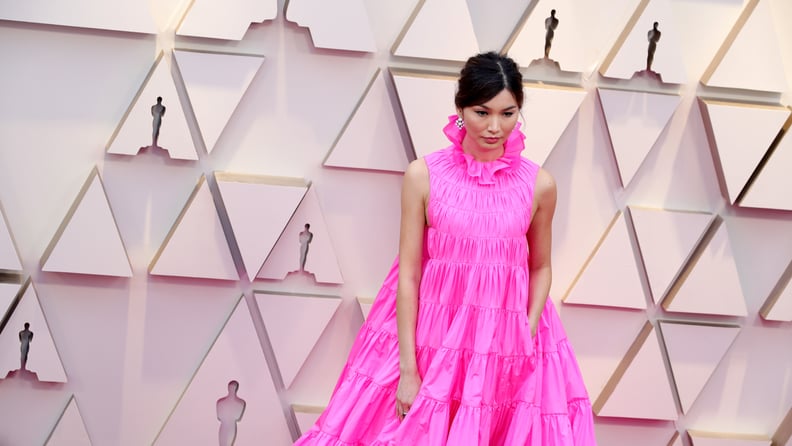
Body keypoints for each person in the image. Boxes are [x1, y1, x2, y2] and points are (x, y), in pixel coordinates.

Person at [294, 52, 596, 445]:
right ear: (460, 108)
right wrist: (407, 369)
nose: (494, 126)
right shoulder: (423, 176)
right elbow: (408, 273)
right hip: (433, 337)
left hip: (505, 341)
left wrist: (526, 329)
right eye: (481, 112)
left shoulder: (540, 185)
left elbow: (540, 267)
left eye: (508, 114)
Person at [217, 380, 246, 446]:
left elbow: (237, 417)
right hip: (225, 427)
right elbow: (219, 416)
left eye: (233, 387)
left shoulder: (240, 403)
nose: (231, 389)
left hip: (230, 427)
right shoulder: (220, 402)